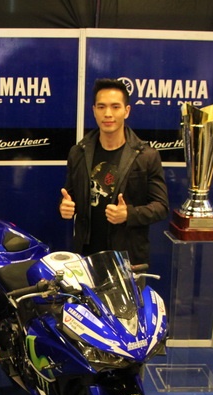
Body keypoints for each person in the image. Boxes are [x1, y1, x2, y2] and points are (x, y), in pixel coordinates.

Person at [59, 78, 168, 267]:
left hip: (129, 258)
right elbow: (70, 196)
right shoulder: (78, 152)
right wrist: (66, 207)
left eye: (115, 107)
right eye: (101, 107)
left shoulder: (147, 156)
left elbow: (161, 207)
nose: (108, 114)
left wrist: (129, 214)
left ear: (126, 111)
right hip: (87, 255)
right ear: (94, 110)